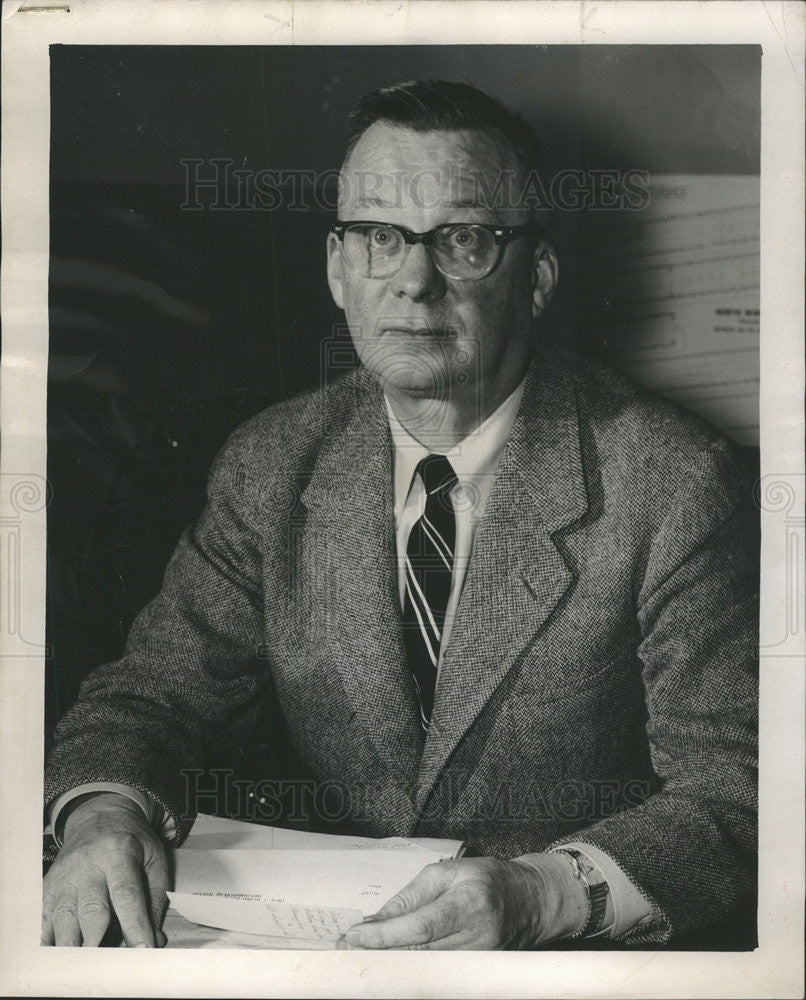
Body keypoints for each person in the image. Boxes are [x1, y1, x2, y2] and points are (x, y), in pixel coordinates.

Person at [42, 80, 758, 950]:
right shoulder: (272, 463)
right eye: (380, 238)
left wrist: (541, 895)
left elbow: (740, 789)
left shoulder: (675, 484)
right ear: (338, 269)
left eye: (463, 240)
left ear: (535, 276)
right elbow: (151, 700)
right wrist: (101, 811)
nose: (415, 282)